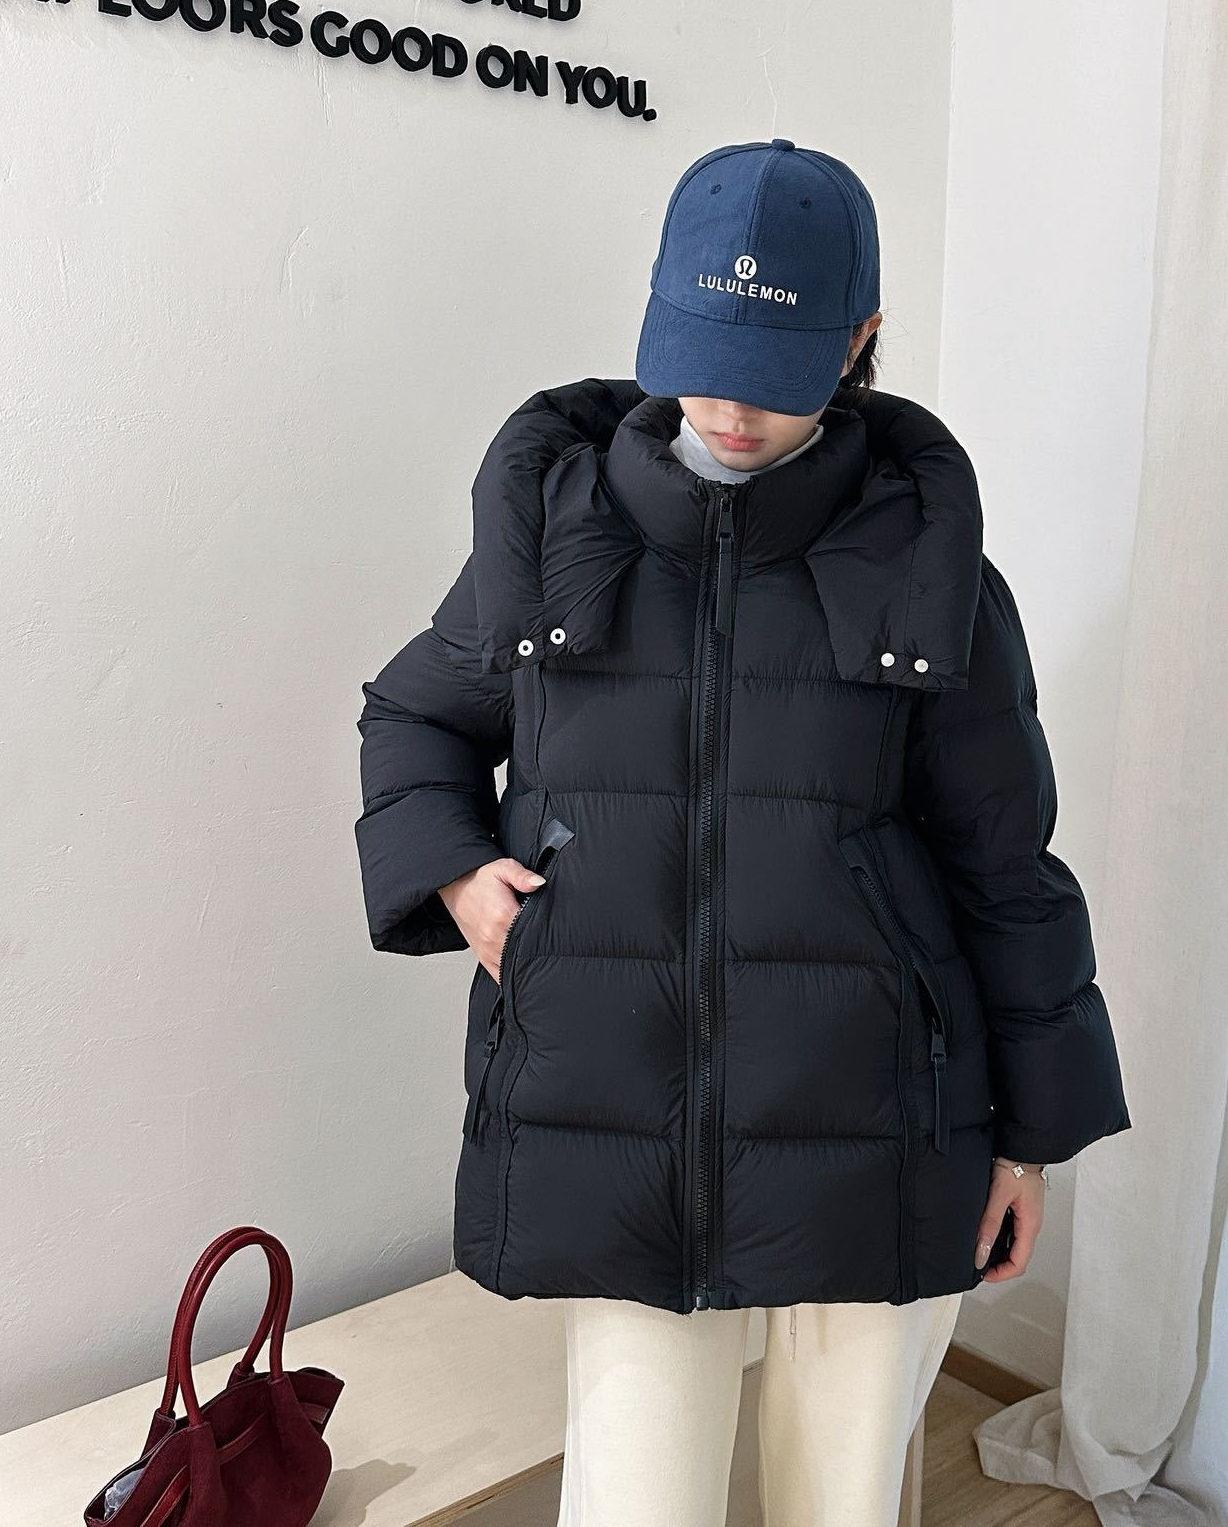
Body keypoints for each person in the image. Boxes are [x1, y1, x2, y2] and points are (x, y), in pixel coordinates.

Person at [353, 140, 1132, 1527]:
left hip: (881, 1122)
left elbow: (1004, 862)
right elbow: (413, 717)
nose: (726, 407)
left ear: (861, 338)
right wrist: (459, 874)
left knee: (842, 1502)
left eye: (773, 370)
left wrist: (1031, 1138)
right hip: (615, 1118)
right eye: (702, 358)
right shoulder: (558, 532)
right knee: (635, 1503)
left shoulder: (928, 563)